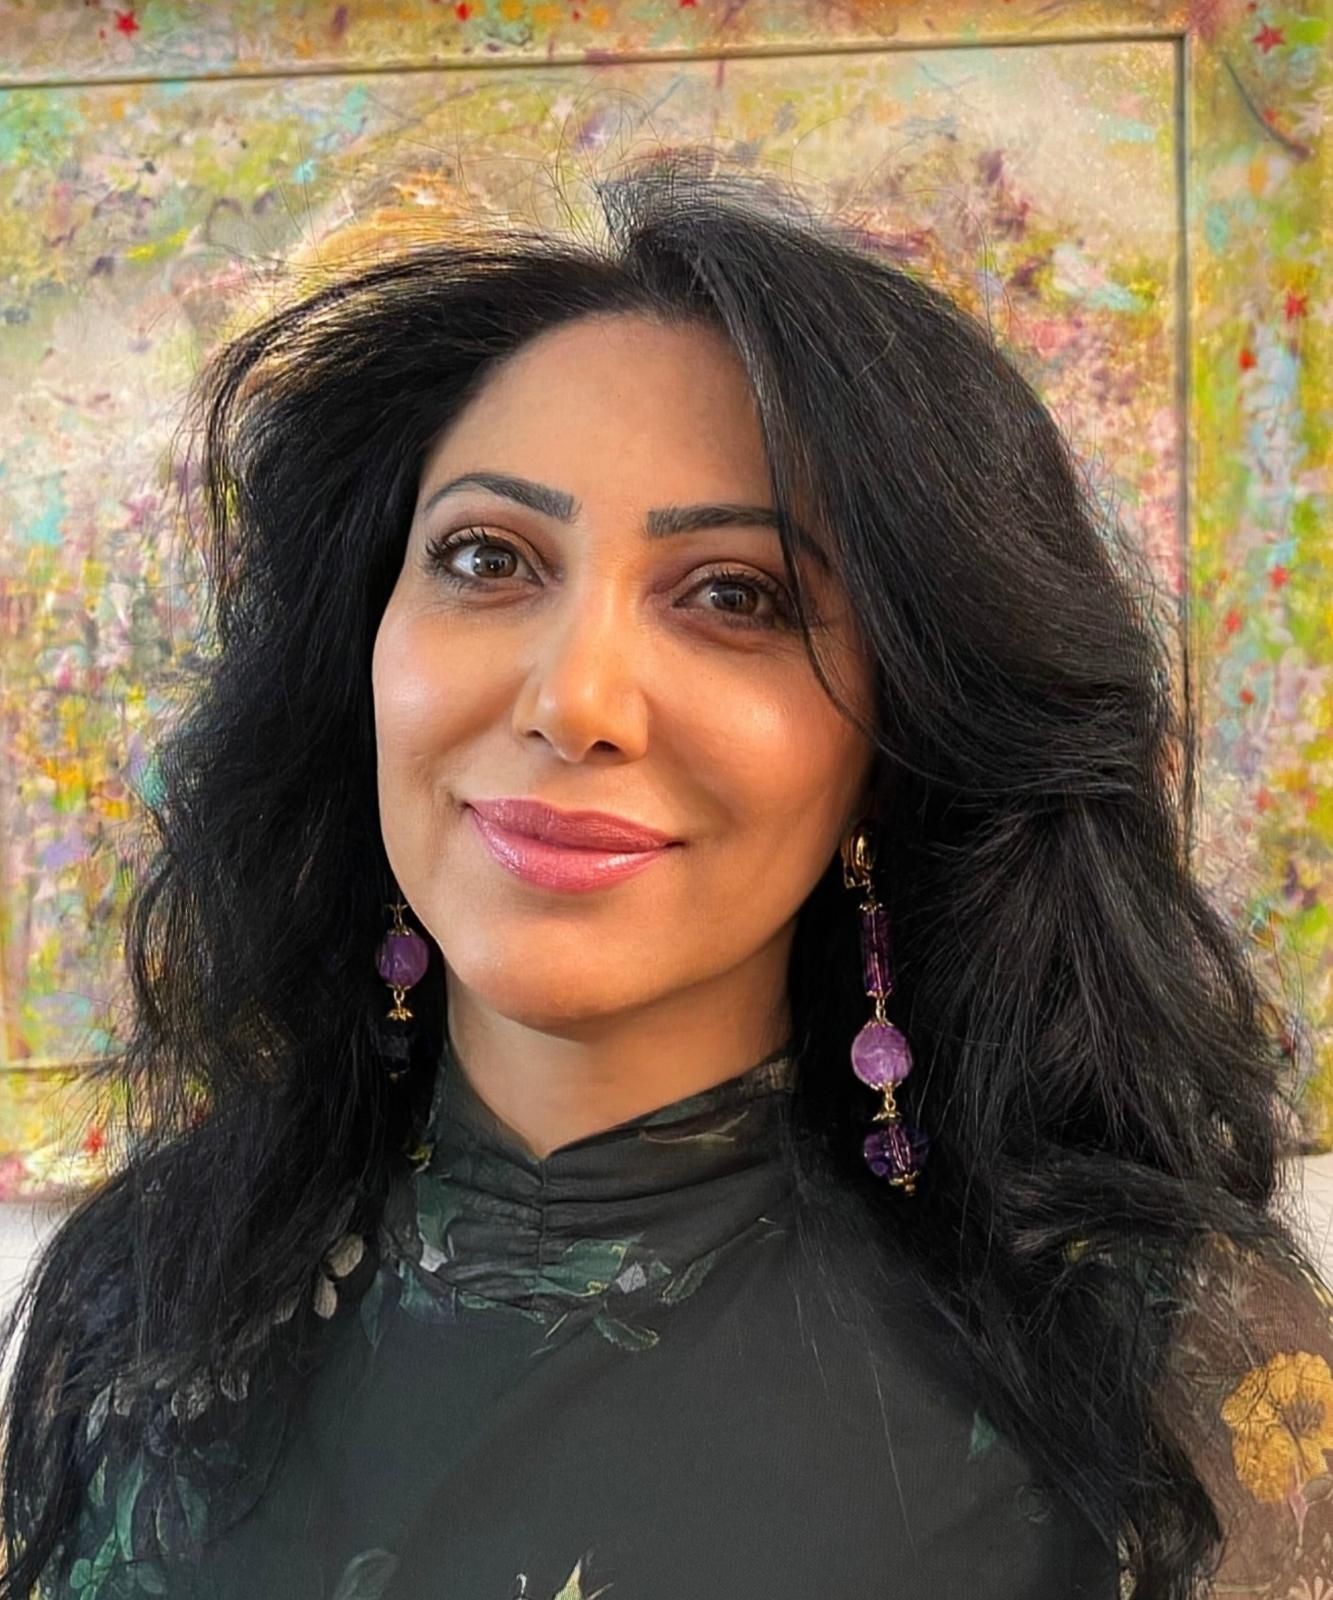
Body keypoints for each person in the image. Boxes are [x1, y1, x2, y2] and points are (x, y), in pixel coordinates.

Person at [3, 150, 1330, 1600]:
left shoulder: (1161, 1368)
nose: (574, 700)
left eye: (735, 595)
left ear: (898, 743)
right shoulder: (143, 1305)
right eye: (488, 559)